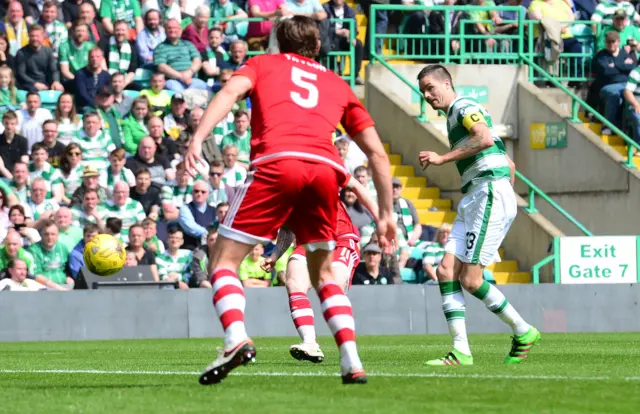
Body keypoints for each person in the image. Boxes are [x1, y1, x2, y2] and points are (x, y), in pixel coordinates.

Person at [185, 15, 395, 386]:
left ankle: (235, 338)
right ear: (317, 47)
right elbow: (377, 153)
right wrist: (387, 214)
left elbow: (230, 93)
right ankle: (351, 360)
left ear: (278, 43)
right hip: (325, 171)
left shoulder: (262, 64)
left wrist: (198, 138)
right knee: (324, 274)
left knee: (222, 261)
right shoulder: (337, 83)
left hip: (277, 162)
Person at [416, 64, 540, 366]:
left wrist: (442, 158)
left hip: (486, 193)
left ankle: (523, 330)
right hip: (477, 195)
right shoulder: (454, 117)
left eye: (430, 88)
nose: (427, 95)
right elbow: (507, 161)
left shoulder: (463, 106)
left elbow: (483, 138)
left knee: (471, 280)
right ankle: (460, 351)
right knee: (446, 271)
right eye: (422, 92)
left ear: (447, 83)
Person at [262, 175, 377, 363]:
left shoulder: (320, 162)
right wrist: (275, 256)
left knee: (331, 287)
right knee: (293, 282)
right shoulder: (280, 183)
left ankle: (349, 354)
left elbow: (356, 186)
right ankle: (310, 343)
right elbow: (288, 227)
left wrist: (382, 218)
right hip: (308, 241)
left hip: (340, 238)